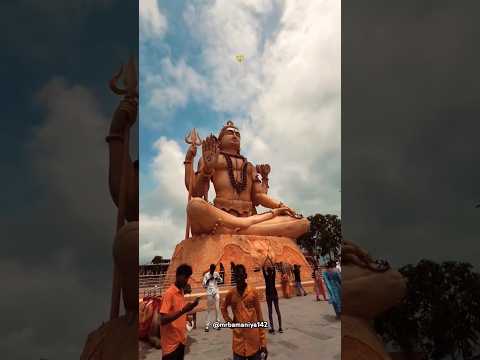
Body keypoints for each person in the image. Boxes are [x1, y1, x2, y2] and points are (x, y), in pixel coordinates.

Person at [221, 264, 268, 360]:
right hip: (238, 343)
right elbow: (223, 308)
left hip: (253, 343)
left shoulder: (253, 292)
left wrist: (263, 343)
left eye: (241, 276)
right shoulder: (231, 294)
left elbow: (259, 316)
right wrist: (229, 321)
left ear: (245, 276)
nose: (238, 279)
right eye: (236, 276)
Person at [159, 264, 200, 360]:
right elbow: (162, 319)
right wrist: (184, 310)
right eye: (185, 277)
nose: (186, 280)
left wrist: (190, 309)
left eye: (188, 278)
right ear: (178, 276)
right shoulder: (169, 294)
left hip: (180, 342)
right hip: (170, 347)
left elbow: (178, 311)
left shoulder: (181, 291)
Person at [262, 256, 283, 334]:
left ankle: (273, 329)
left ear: (267, 271)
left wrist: (266, 259)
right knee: (277, 310)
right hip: (275, 294)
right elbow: (273, 266)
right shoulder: (273, 276)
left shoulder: (266, 277)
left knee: (270, 312)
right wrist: (269, 259)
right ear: (272, 271)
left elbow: (262, 267)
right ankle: (280, 328)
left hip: (268, 295)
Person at [202, 264, 223, 332]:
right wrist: (208, 280)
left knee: (217, 308)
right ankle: (207, 325)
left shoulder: (216, 273)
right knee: (209, 309)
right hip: (209, 292)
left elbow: (221, 280)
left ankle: (217, 324)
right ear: (210, 268)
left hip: (216, 291)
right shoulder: (206, 275)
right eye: (212, 269)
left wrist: (218, 278)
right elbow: (204, 285)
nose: (213, 270)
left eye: (214, 269)